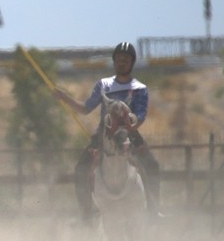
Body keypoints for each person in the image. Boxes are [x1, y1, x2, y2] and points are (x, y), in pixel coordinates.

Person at [53, 42, 161, 223]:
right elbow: (86, 108)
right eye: (119, 59)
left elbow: (141, 115)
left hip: (130, 132)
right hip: (104, 134)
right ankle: (86, 214)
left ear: (132, 62)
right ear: (114, 61)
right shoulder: (103, 85)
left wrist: (130, 125)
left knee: (152, 165)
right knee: (81, 169)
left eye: (126, 60)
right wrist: (65, 98)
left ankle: (153, 210)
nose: (122, 63)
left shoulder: (140, 89)